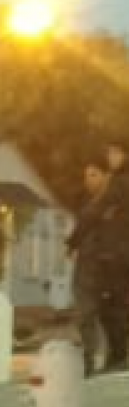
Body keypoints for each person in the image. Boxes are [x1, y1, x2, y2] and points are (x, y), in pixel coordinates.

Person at [68, 157, 128, 375]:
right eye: (86, 176)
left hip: (107, 267)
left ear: (106, 176)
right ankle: (88, 360)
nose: (88, 180)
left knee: (109, 314)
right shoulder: (85, 202)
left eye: (93, 175)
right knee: (85, 314)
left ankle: (118, 355)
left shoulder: (117, 202)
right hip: (85, 266)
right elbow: (81, 228)